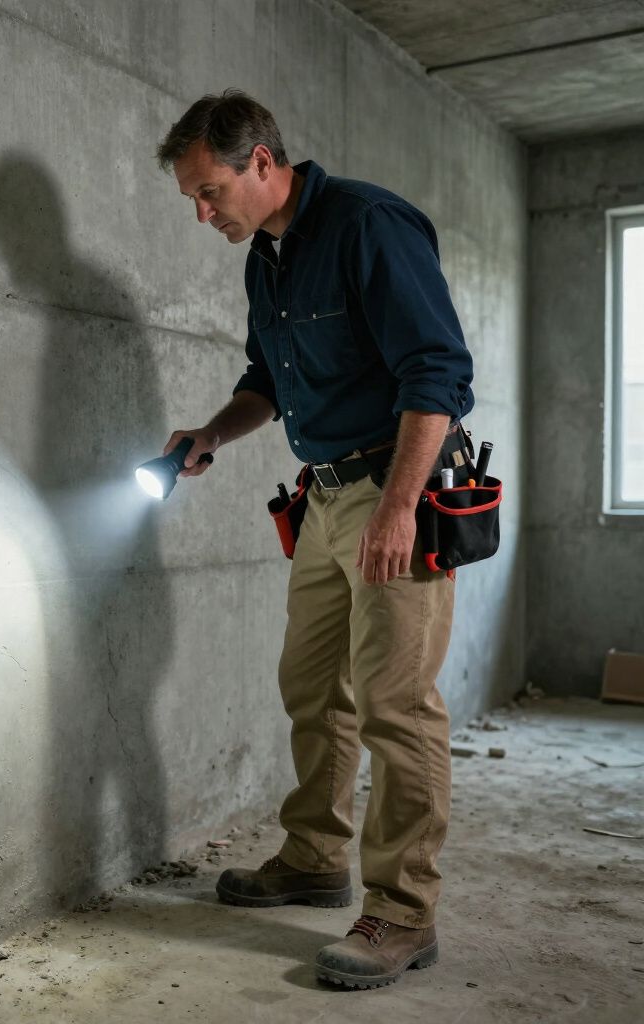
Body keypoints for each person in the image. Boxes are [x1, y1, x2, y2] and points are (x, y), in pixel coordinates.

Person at [155, 89, 475, 990]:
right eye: (191, 197)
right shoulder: (268, 257)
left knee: (396, 705)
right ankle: (313, 857)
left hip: (396, 492)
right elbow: (268, 376)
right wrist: (211, 435)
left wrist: (400, 507)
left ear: (262, 161)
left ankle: (404, 914)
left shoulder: (370, 224)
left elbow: (439, 373)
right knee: (312, 688)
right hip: (328, 498)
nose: (202, 211)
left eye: (209, 190)